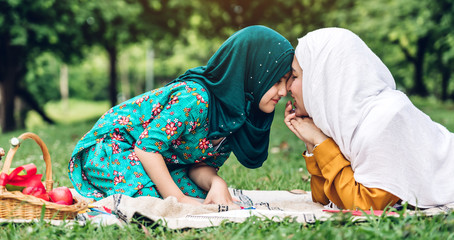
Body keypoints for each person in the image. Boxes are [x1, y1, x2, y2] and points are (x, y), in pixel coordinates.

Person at [69, 25, 294, 206]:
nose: (283, 92)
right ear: (253, 73)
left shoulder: (237, 115)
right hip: (113, 148)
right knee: (160, 199)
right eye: (276, 81)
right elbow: (147, 148)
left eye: (287, 81)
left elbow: (199, 166)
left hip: (162, 161)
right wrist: (178, 199)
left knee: (204, 195)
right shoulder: (195, 98)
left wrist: (216, 182)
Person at [284, 27, 454, 210]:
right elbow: (323, 198)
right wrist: (313, 144)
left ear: (321, 79)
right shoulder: (343, 122)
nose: (287, 88)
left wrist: (320, 141)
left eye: (294, 76)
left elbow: (367, 206)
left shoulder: (386, 118)